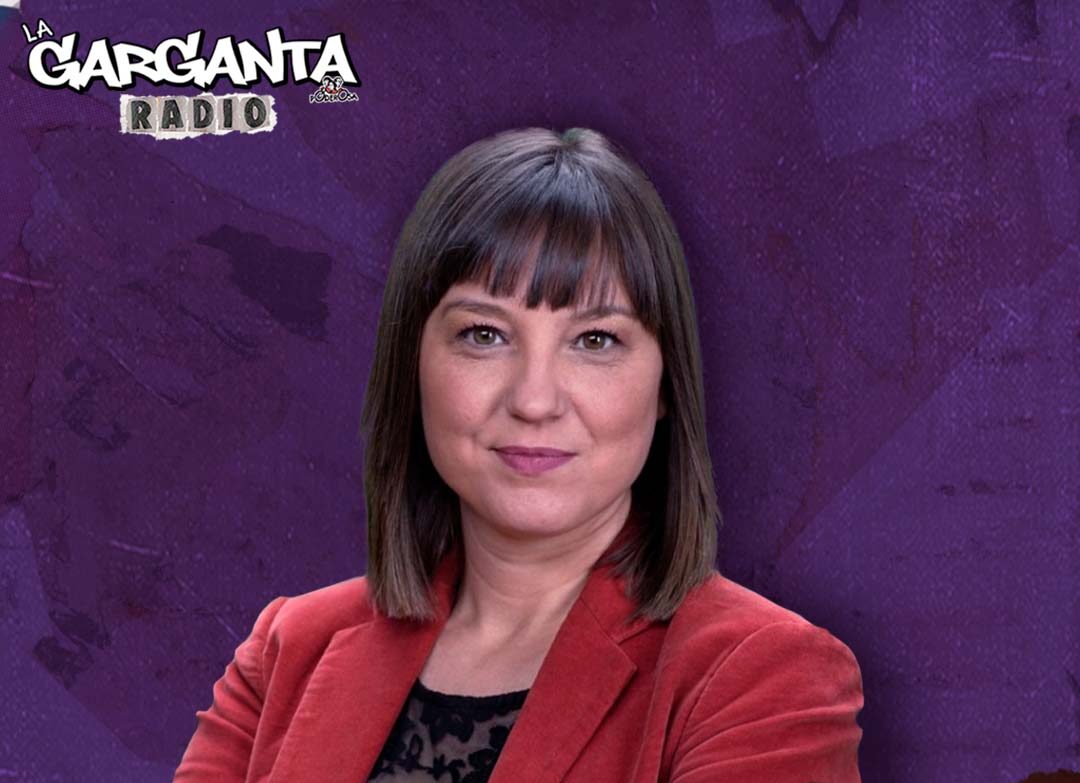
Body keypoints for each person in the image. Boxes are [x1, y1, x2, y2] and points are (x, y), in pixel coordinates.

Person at [173, 127, 864, 783]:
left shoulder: (764, 676)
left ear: (665, 386)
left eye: (595, 340)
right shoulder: (288, 651)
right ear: (413, 366)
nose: (535, 400)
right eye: (484, 334)